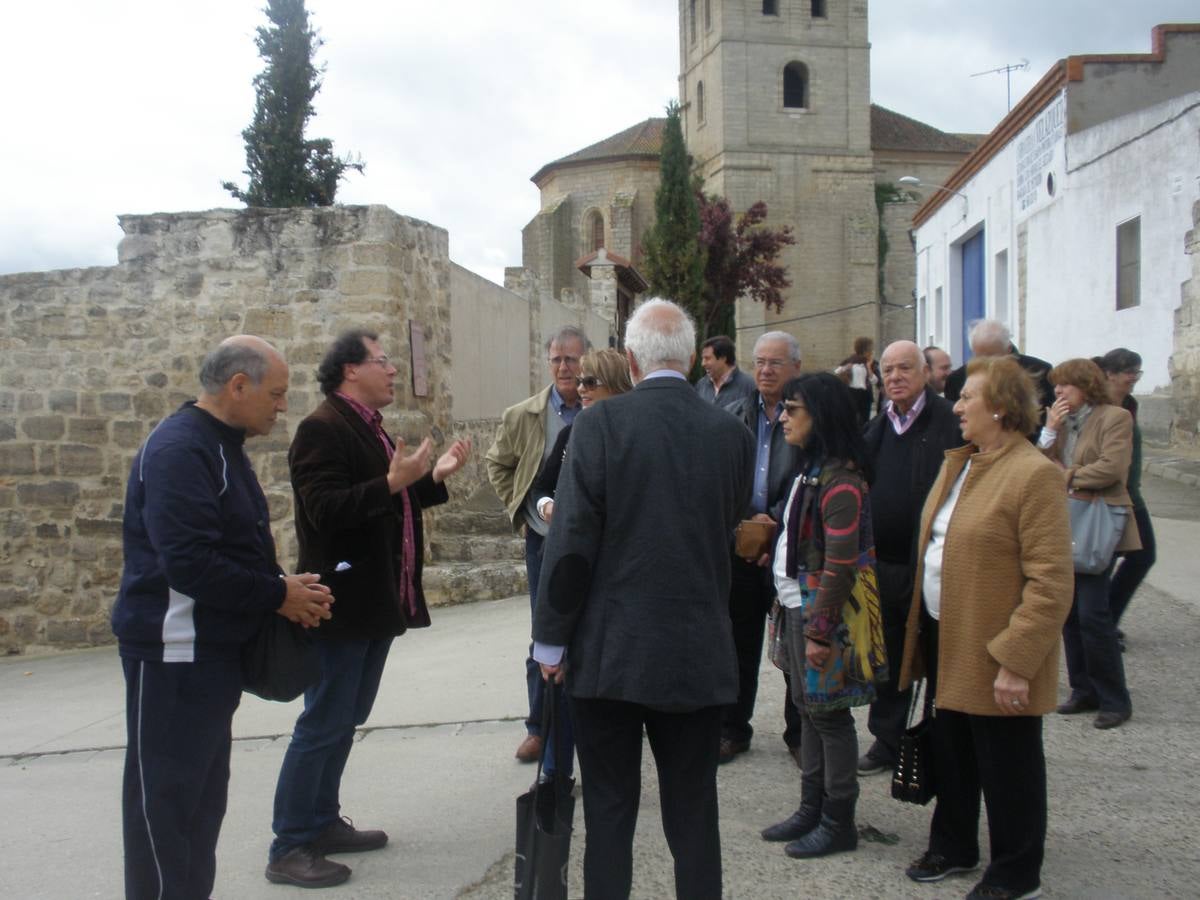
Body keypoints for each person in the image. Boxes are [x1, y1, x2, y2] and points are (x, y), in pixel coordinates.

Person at [532, 298, 754, 900]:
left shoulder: (600, 424)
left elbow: (572, 543)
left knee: (609, 812)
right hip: (697, 650)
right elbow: (727, 524)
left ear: (629, 360)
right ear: (688, 360)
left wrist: (550, 639)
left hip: (612, 653)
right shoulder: (733, 435)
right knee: (693, 813)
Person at [112, 336, 335, 900]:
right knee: (166, 804)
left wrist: (284, 584)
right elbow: (187, 562)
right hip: (173, 651)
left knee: (201, 803)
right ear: (238, 385)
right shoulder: (180, 449)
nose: (282, 406)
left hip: (208, 652)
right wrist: (274, 594)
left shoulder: (219, 444)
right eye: (277, 394)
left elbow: (231, 546)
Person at [267, 330, 470, 887]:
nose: (394, 371)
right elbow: (325, 510)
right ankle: (289, 843)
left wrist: (430, 480)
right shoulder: (321, 429)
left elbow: (389, 499)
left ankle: (322, 821)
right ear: (350, 370)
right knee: (323, 721)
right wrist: (391, 481)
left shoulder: (366, 426)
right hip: (338, 603)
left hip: (372, 603)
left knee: (343, 720)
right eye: (383, 362)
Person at [899, 355, 1073, 900]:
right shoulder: (963, 464)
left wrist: (1017, 661)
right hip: (947, 637)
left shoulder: (1034, 473)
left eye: (968, 398)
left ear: (1000, 408)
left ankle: (1016, 871)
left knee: (1008, 765)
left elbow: (1050, 582)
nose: (958, 406)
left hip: (995, 649)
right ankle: (954, 845)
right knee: (954, 751)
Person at [760, 373, 885, 859]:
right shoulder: (811, 469)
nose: (784, 417)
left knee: (829, 716)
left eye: (794, 409)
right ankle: (810, 808)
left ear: (821, 417)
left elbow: (840, 564)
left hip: (818, 613)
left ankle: (838, 820)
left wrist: (820, 630)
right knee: (807, 709)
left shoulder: (842, 481)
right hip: (795, 605)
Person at [857, 341, 962, 777]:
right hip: (888, 563)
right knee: (891, 652)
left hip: (935, 563)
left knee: (940, 652)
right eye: (888, 369)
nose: (896, 376)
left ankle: (945, 741)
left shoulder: (949, 422)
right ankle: (888, 739)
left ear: (924, 373)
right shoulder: (879, 427)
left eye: (905, 368)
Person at [485, 325, 590, 763]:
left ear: (586, 359)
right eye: (557, 359)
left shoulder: (600, 410)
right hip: (543, 541)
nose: (564, 367)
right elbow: (498, 464)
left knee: (586, 636)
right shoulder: (524, 415)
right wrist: (522, 510)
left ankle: (583, 729)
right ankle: (539, 727)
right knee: (543, 636)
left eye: (572, 359)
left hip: (589, 544)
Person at [528, 348, 633, 781]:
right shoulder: (574, 435)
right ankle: (555, 770)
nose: (581, 389)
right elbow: (540, 487)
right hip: (570, 571)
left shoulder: (631, 436)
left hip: (613, 580)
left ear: (617, 386)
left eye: (592, 382)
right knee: (557, 672)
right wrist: (552, 505)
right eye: (581, 381)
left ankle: (602, 773)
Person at [1040, 358, 1138, 730]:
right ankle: (1084, 689)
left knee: (1094, 614)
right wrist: (1049, 431)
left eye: (1066, 385)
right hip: (1065, 520)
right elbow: (1037, 463)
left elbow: (1112, 469)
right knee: (1069, 613)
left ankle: (1115, 698)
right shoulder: (1061, 422)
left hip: (1097, 522)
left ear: (1086, 385)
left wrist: (1065, 477)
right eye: (1056, 387)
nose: (1059, 393)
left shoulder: (1114, 417)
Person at [721, 331, 805, 764]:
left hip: (791, 545)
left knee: (794, 640)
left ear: (795, 367)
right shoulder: (734, 414)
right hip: (742, 544)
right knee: (738, 640)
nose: (766, 370)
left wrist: (777, 520)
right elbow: (722, 477)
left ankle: (799, 733)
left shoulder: (806, 420)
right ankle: (734, 728)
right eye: (760, 362)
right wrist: (745, 523)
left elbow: (807, 479)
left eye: (775, 363)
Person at [1098, 348, 1155, 642]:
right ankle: (1098, 626)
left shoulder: (1130, 404)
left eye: (1137, 372)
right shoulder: (1098, 407)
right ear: (1110, 373)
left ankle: (1106, 617)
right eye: (1129, 372)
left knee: (1144, 556)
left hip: (1133, 495)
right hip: (1107, 496)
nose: (1134, 378)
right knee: (1102, 563)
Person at [943, 320, 1053, 414]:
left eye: (992, 357)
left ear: (1008, 349)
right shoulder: (957, 381)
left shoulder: (1040, 372)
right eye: (979, 357)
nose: (986, 363)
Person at [695, 334, 755, 409]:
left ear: (723, 358)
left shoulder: (748, 386)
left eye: (707, 358)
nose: (703, 364)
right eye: (703, 359)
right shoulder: (701, 385)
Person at [836, 336, 880, 425]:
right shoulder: (850, 361)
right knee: (850, 421)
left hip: (865, 396)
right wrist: (846, 368)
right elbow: (836, 372)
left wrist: (869, 367)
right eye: (870, 349)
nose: (872, 351)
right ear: (865, 350)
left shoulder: (872, 363)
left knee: (864, 422)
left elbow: (875, 381)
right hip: (851, 394)